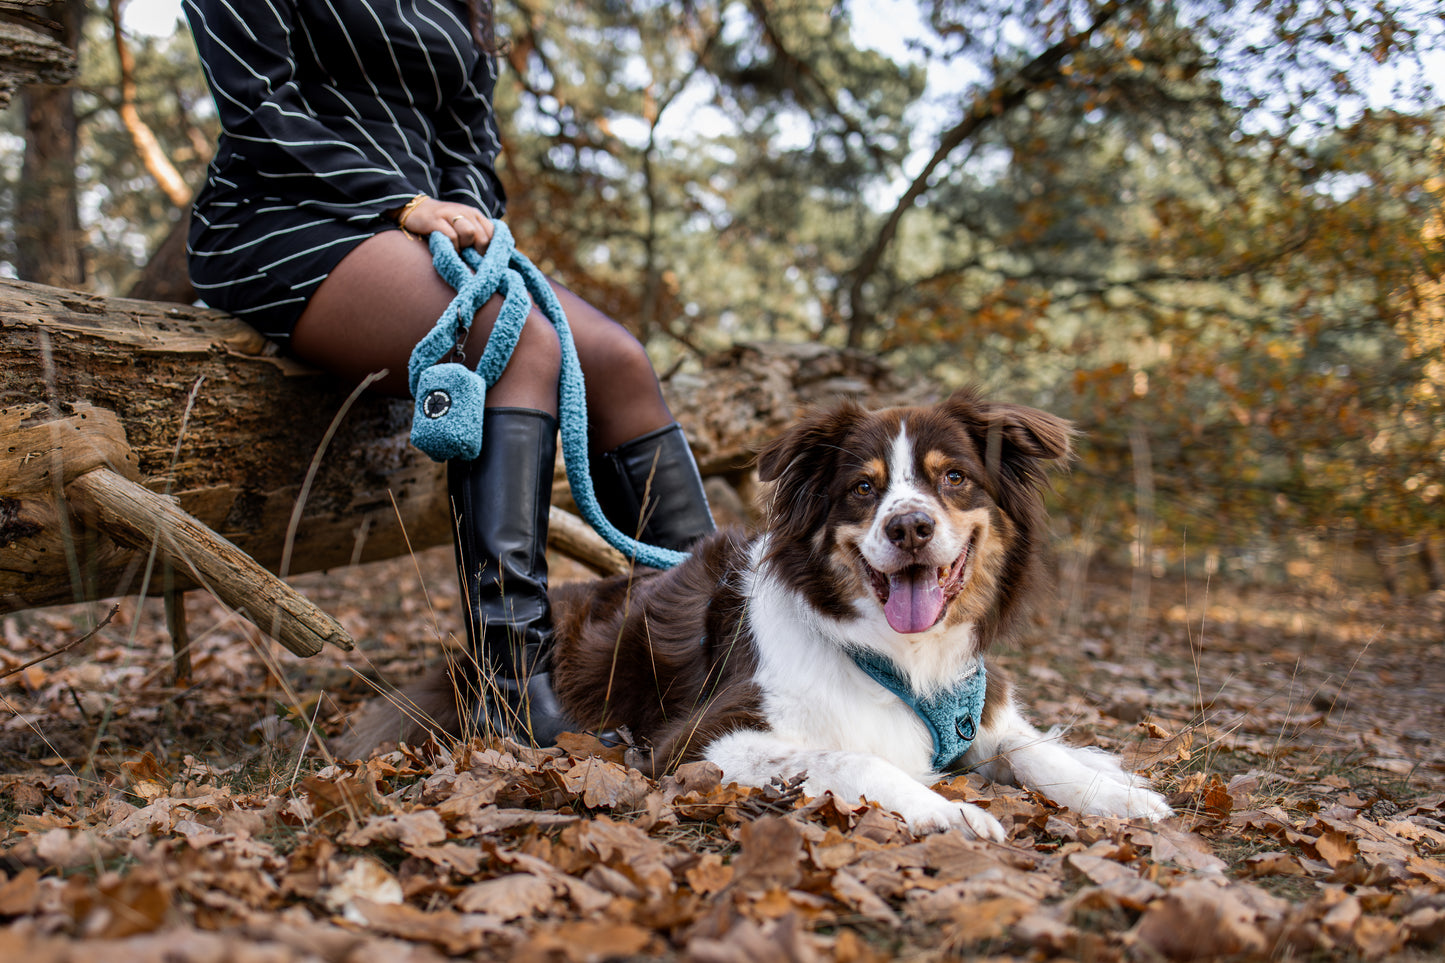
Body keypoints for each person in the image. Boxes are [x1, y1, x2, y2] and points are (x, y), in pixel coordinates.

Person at [182, 0, 714, 745]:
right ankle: (510, 689)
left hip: (426, 229)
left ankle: (724, 652)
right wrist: (401, 203)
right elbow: (259, 106)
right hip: (289, 215)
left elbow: (467, 139)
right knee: (515, 339)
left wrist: (465, 212)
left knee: (620, 362)